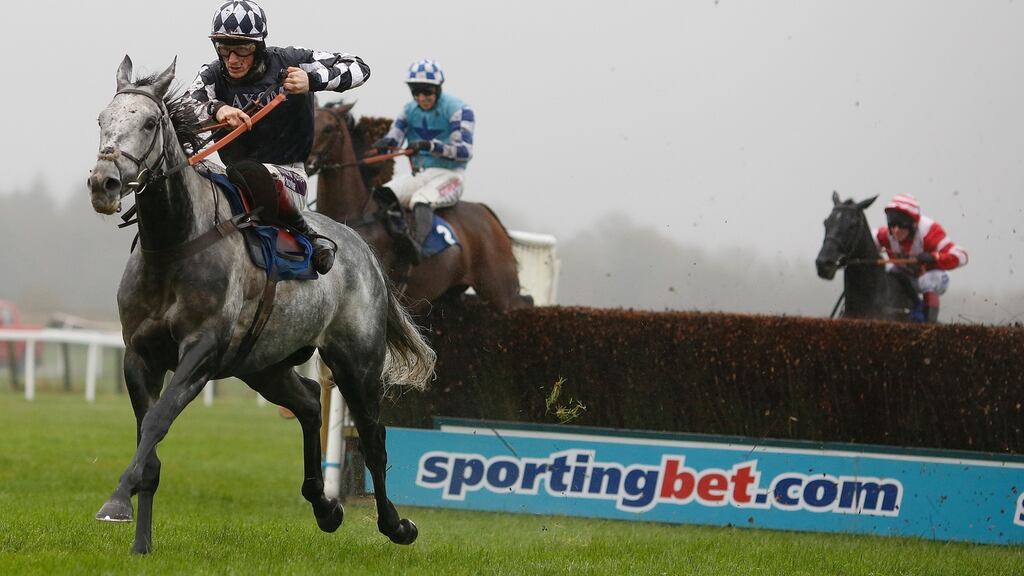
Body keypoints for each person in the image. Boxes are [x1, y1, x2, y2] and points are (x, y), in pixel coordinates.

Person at [184, 0, 370, 274]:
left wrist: (312, 80)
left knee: (255, 173)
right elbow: (186, 105)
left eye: (242, 49)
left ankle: (309, 235)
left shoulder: (290, 59)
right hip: (232, 177)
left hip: (288, 177)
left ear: (259, 46)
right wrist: (218, 108)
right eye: (224, 48)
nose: (232, 59)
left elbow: (360, 67)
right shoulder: (211, 74)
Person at [371, 59, 475, 264]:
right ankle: (395, 237)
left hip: (450, 175)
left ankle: (416, 247)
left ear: (438, 89)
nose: (421, 97)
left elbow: (464, 151)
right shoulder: (409, 110)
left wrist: (430, 146)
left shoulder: (459, 110)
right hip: (419, 174)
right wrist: (385, 143)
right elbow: (394, 137)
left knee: (421, 200)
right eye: (416, 92)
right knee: (383, 194)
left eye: (427, 92)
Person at [875, 194, 968, 322]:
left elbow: (962, 256)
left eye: (902, 224)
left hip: (934, 277)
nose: (896, 230)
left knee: (927, 280)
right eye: (892, 223)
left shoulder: (930, 232)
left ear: (913, 223)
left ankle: (927, 322)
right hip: (905, 277)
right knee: (886, 275)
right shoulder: (885, 234)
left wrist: (934, 257)